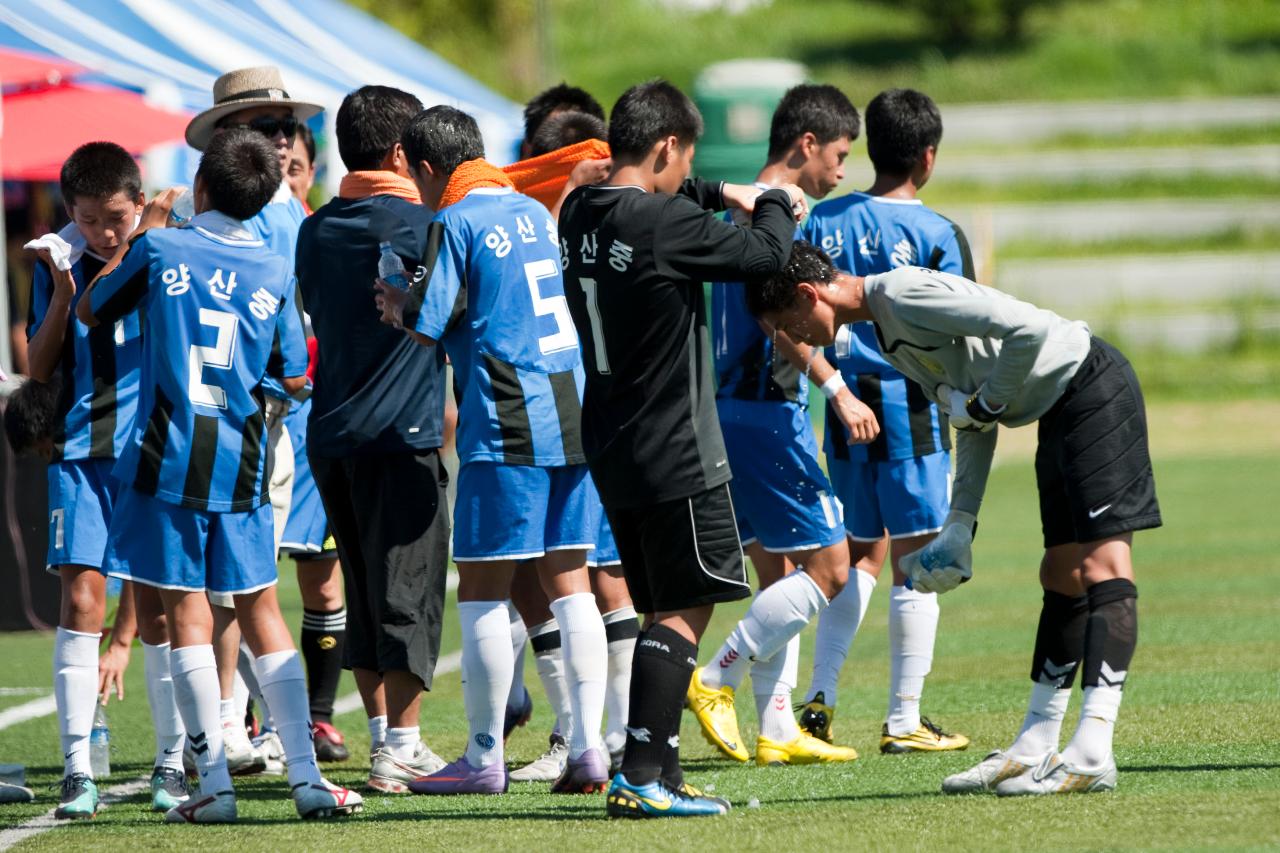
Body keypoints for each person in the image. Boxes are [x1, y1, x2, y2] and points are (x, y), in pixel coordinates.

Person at [748, 241, 1157, 796]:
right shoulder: (887, 335)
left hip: (1093, 390)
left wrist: (987, 404)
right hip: (1057, 408)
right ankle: (1034, 744)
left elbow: (1029, 332)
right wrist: (961, 520)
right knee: (1059, 573)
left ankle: (1092, 750)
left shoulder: (902, 293)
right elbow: (972, 415)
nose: (788, 338)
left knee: (1103, 562)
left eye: (783, 323)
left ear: (807, 295)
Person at [558, 79, 846, 819]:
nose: (690, 176)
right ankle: (642, 775)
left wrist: (719, 188)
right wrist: (774, 196)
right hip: (675, 442)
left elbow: (664, 198)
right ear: (665, 148)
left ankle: (662, 766)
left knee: (659, 607)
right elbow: (766, 256)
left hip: (614, 440)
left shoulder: (579, 211)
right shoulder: (660, 224)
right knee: (686, 607)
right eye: (684, 161)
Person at [76, 129, 361, 823]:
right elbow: (295, 371)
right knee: (262, 609)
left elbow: (93, 306)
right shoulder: (273, 266)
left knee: (185, 613)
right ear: (267, 195)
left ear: (199, 188)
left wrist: (146, 225)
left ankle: (214, 785)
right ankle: (304, 776)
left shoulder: (161, 245)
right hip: (243, 457)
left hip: (164, 455)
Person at [375, 105, 610, 796]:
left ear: (424, 168)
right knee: (572, 582)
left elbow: (426, 318)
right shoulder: (532, 209)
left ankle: (483, 756)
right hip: (572, 409)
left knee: (482, 585)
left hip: (509, 418)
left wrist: (397, 300)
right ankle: (590, 746)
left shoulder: (456, 219)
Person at [692, 84, 870, 768]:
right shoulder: (775, 216)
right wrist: (837, 386)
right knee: (829, 569)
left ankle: (775, 724)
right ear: (806, 145)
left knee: (779, 571)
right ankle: (716, 676)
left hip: (731, 408)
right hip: (767, 411)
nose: (841, 170)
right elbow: (776, 319)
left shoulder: (743, 206)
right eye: (839, 154)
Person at [795, 88, 971, 754]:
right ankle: (903, 716)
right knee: (916, 561)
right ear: (927, 156)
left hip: (845, 405)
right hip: (912, 407)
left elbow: (798, 310)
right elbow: (963, 328)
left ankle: (821, 697)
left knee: (860, 555)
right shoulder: (936, 234)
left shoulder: (823, 220)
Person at [21, 142, 191, 817]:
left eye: (116, 217)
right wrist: (61, 293)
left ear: (140, 201)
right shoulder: (56, 257)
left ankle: (172, 763)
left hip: (152, 449)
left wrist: (151, 238)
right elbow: (37, 365)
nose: (103, 232)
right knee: (82, 600)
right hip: (81, 448)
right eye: (88, 220)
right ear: (70, 211)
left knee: (157, 608)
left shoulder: (168, 251)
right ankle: (76, 766)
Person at [295, 85, 452, 793]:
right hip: (404, 432)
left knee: (362, 591)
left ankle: (382, 739)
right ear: (400, 151)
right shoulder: (428, 226)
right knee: (408, 592)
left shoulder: (315, 228)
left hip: (331, 433)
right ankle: (404, 742)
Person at [185, 65, 324, 774]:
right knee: (241, 589)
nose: (280, 140)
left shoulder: (193, 212)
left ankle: (220, 730)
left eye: (284, 127)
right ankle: (234, 734)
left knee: (218, 589)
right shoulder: (274, 211)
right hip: (250, 416)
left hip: (208, 418)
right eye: (265, 129)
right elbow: (292, 350)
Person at [286, 123, 317, 211]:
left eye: (293, 170)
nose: (283, 182)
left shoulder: (320, 224)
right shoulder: (246, 224)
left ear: (311, 174)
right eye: (274, 170)